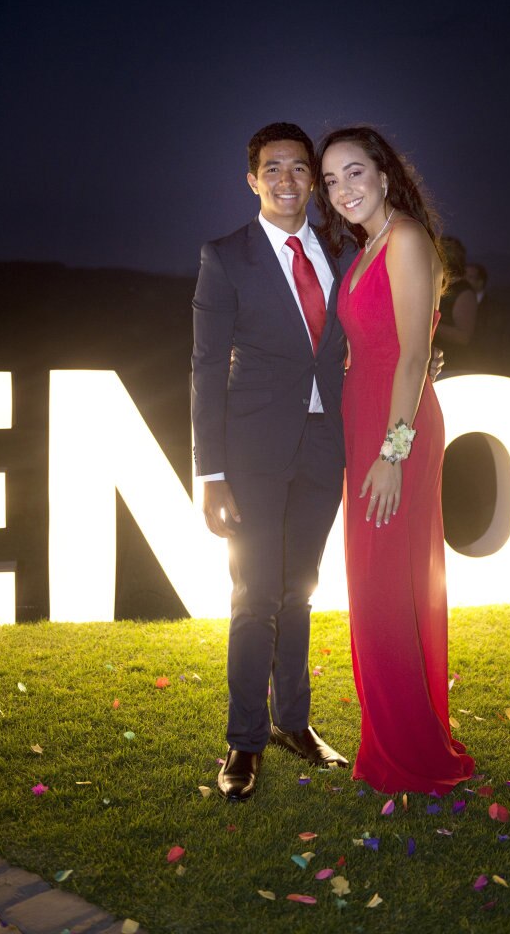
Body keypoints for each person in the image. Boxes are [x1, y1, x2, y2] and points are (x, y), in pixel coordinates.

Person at [191, 122, 350, 801]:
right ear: (252, 179)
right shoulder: (225, 256)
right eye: (272, 168)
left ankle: (294, 723)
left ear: (313, 181)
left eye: (298, 169)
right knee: (254, 599)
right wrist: (209, 473)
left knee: (299, 591)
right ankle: (243, 741)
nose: (287, 180)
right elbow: (203, 366)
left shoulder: (343, 251)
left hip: (324, 445)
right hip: (252, 454)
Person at [315, 126, 474, 793]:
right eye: (330, 180)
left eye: (354, 173)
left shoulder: (404, 239)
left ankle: (410, 750)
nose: (342, 190)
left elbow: (412, 355)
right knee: (376, 589)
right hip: (367, 424)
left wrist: (392, 452)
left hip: (394, 432)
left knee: (390, 589)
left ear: (384, 176)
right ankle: (391, 738)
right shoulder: (365, 247)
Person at [435, 237, 477, 372]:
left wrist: (430, 323)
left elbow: (463, 337)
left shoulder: (464, 292)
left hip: (454, 365)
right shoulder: (437, 286)